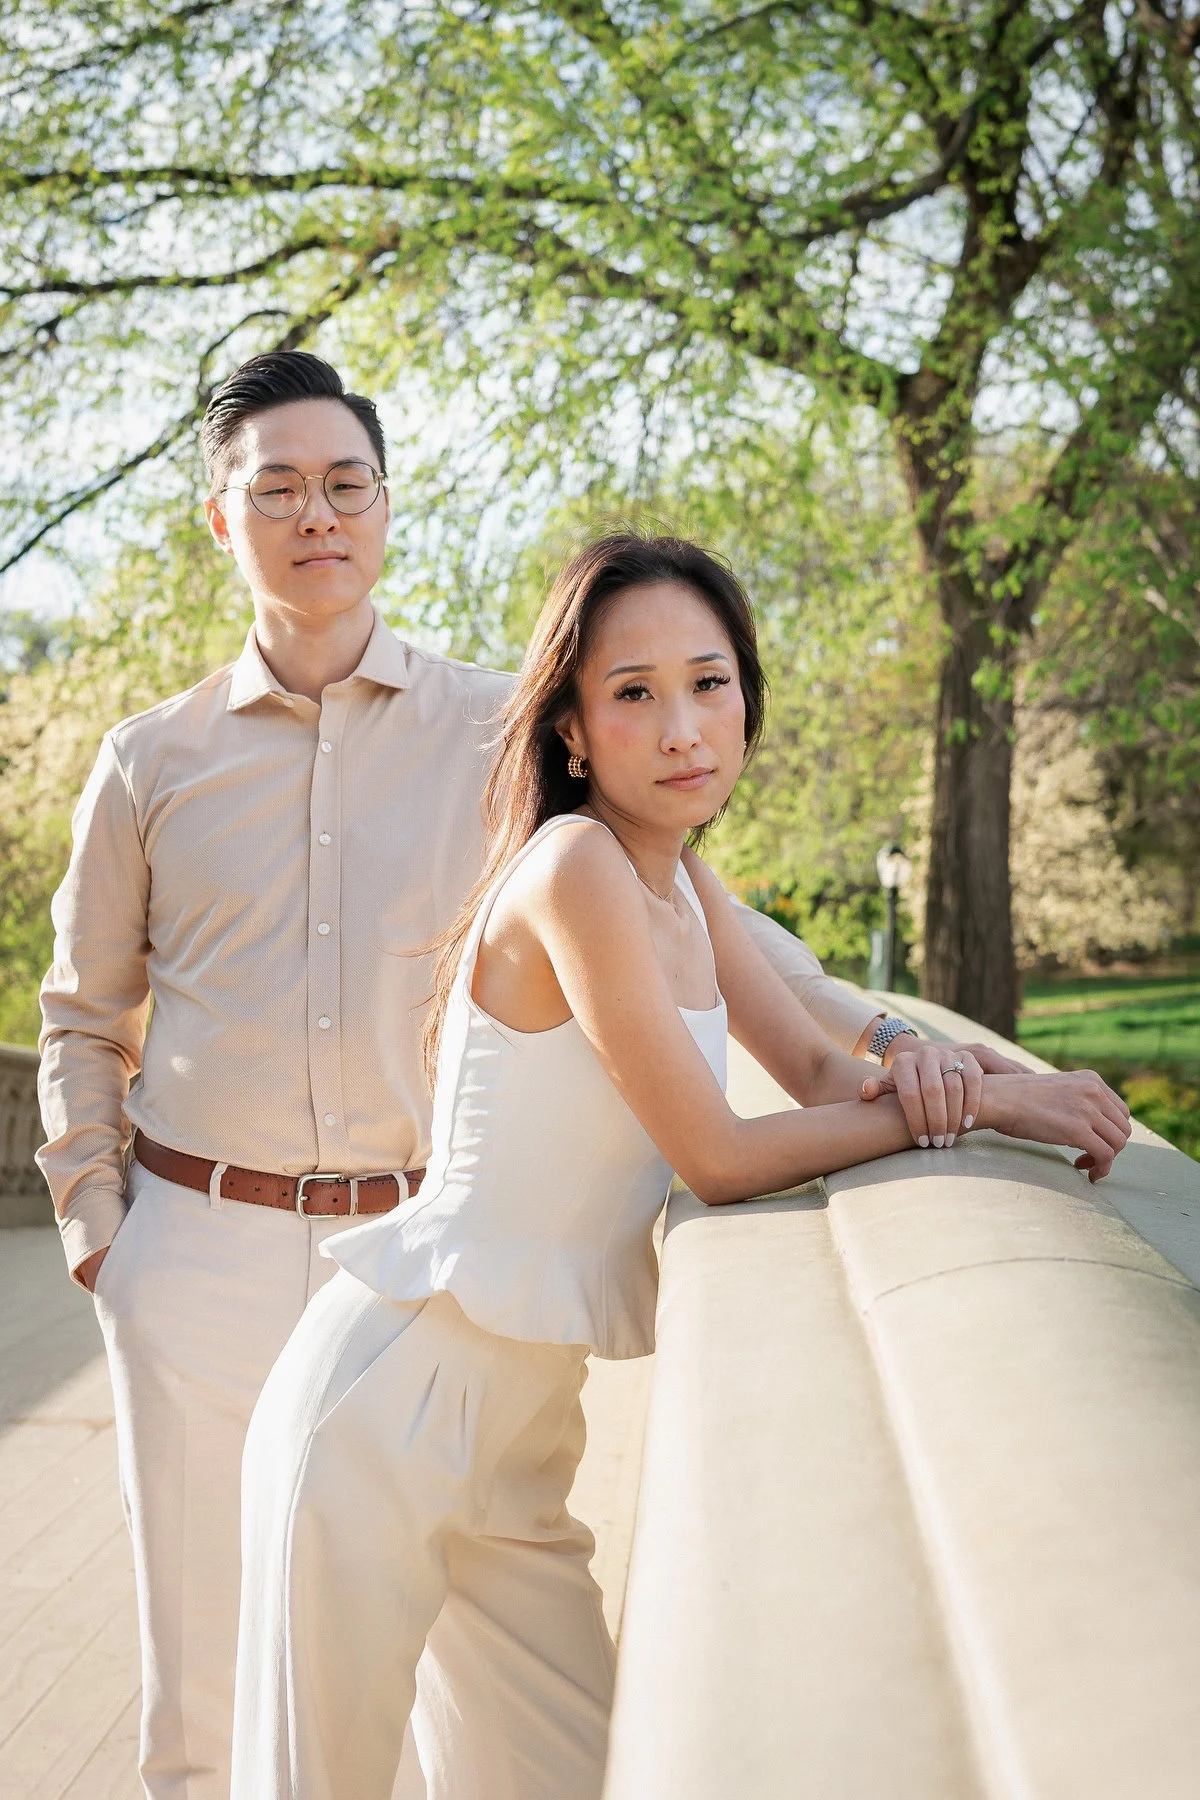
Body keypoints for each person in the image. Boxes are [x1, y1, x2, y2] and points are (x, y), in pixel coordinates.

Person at [36, 353, 997, 1800]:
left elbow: (748, 957)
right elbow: (83, 1011)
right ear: (220, 520)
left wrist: (906, 1048)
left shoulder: (515, 732)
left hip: (436, 1253)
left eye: (347, 484)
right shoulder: (147, 759)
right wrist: (100, 1230)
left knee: (505, 1743)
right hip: (203, 1251)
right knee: (215, 1721)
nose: (319, 516)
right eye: (279, 489)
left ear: (384, 505)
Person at [228, 534, 1131, 1800]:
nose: (683, 726)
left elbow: (820, 1074)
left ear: (748, 698)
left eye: (709, 683)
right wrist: (949, 1108)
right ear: (576, 730)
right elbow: (717, 1154)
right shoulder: (579, 866)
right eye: (635, 692)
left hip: (521, 1441)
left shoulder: (680, 881)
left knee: (567, 1776)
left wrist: (993, 1095)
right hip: (386, 1407)